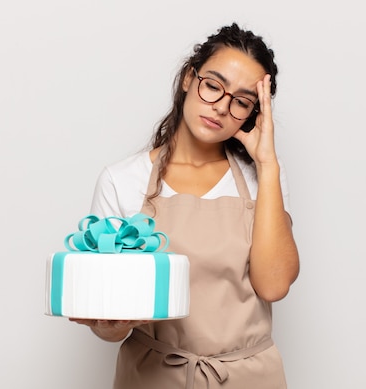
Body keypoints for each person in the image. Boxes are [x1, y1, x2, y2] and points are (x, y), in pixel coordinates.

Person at [71, 23, 300, 389]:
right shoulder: (122, 180)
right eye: (213, 85)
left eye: (241, 101)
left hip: (248, 377)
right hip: (151, 376)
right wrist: (109, 326)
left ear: (254, 114)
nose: (221, 107)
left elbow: (272, 285)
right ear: (188, 79)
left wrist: (268, 164)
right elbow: (110, 321)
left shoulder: (264, 177)